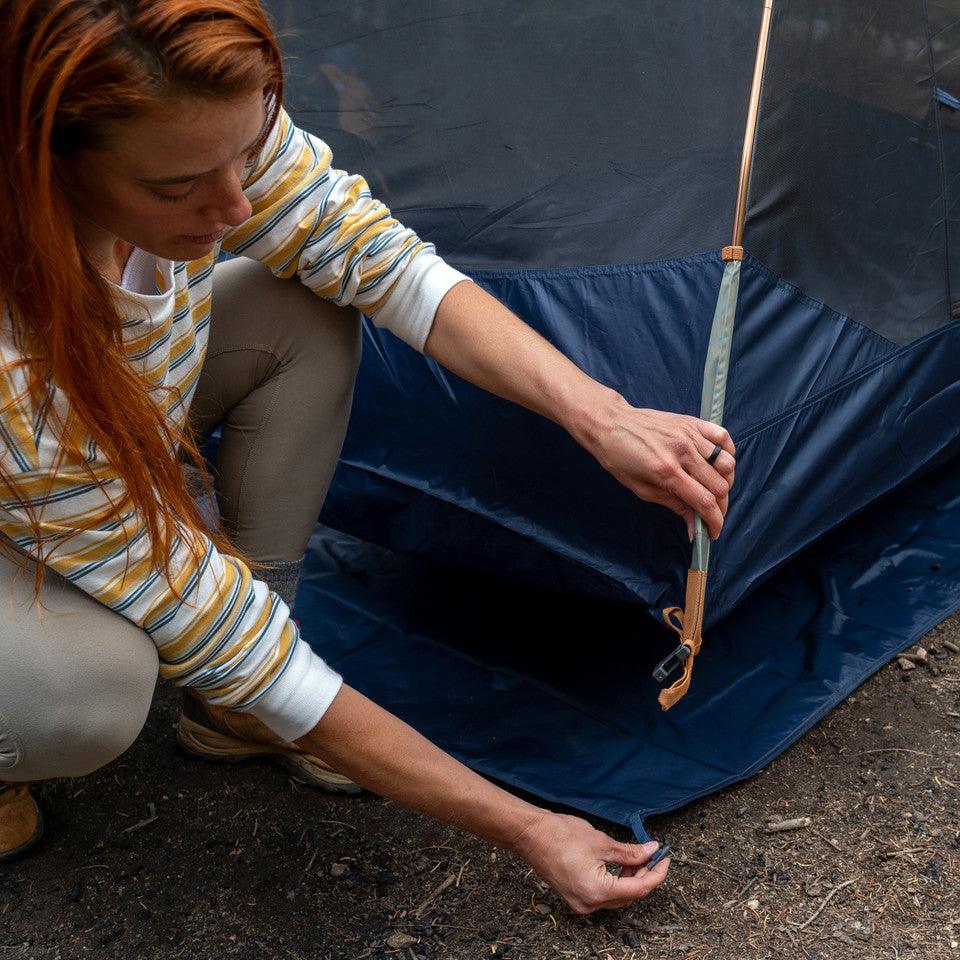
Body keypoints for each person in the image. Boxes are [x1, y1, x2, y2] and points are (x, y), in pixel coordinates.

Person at [0, 0, 735, 914]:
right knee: (93, 691)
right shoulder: (15, 364)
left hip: (81, 448)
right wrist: (527, 827)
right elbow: (219, 626)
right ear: (43, 164)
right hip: (22, 474)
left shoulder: (190, 122)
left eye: (252, 141)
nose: (235, 206)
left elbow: (366, 250)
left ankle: (233, 718)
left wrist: (601, 412)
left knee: (300, 306)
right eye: (180, 186)